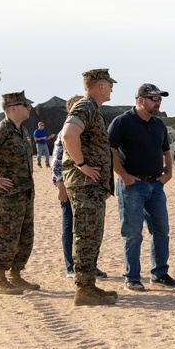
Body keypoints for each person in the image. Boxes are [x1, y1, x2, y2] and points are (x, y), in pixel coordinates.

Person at [108, 83, 175, 291]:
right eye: (154, 98)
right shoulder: (123, 122)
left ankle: (159, 274)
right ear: (140, 100)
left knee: (161, 230)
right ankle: (132, 277)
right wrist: (124, 176)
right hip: (132, 186)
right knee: (133, 233)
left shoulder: (158, 124)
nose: (158, 102)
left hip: (156, 185)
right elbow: (109, 150)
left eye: (160, 98)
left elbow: (165, 150)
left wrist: (168, 173)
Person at [60, 68, 119, 306]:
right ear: (100, 86)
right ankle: (83, 289)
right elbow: (68, 135)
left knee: (92, 233)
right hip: (84, 184)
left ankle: (89, 285)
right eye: (110, 85)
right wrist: (81, 164)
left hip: (91, 185)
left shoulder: (92, 109)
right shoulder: (84, 107)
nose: (112, 89)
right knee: (86, 234)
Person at [0, 91, 40, 295]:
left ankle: (15, 275)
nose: (29, 108)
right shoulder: (1, 130)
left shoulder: (22, 130)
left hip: (24, 194)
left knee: (24, 237)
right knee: (5, 237)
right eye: (25, 105)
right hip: (7, 196)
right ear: (13, 108)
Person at [52, 95, 108, 279]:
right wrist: (60, 186)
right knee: (71, 226)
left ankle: (90, 266)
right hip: (72, 185)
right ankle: (71, 266)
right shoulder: (66, 132)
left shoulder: (87, 132)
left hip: (88, 186)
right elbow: (57, 161)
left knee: (88, 229)